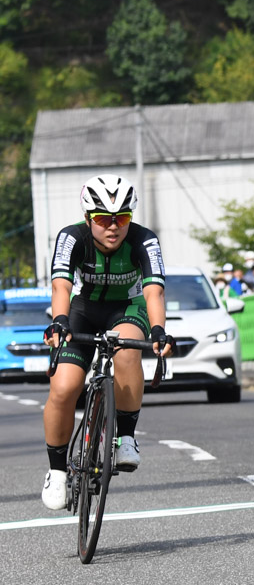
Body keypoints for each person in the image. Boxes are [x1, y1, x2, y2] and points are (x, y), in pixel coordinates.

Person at [40, 175, 174, 510]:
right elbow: (61, 287)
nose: (112, 227)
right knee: (64, 387)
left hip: (127, 309)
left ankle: (125, 437)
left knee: (128, 350)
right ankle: (57, 472)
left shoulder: (145, 240)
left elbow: (154, 291)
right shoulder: (72, 237)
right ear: (88, 219)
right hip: (83, 311)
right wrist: (59, 321)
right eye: (102, 219)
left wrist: (158, 330)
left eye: (122, 218)